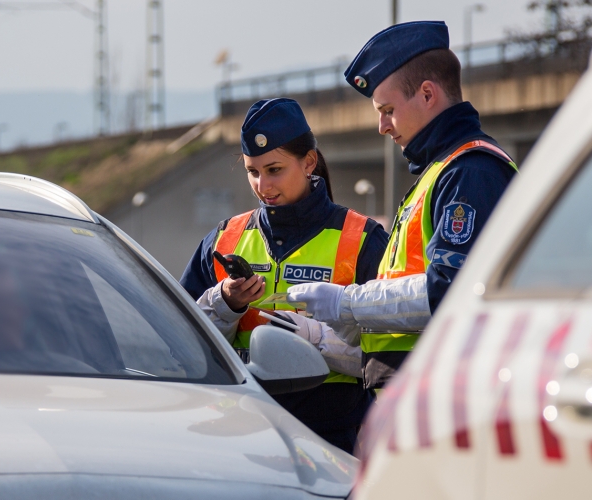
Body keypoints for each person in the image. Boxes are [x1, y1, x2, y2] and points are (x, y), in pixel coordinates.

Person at [287, 21, 518, 389]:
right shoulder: (443, 170)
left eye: (388, 109)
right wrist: (343, 330)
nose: (382, 126)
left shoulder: (469, 172)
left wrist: (348, 304)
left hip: (443, 397)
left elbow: (448, 291)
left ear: (428, 94)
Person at [180, 98, 389, 454]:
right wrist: (224, 304)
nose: (263, 185)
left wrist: (320, 340)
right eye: (252, 171)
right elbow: (181, 344)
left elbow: (391, 354)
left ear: (308, 162)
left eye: (274, 169)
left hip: (333, 442)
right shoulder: (224, 239)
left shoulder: (364, 240)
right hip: (241, 438)